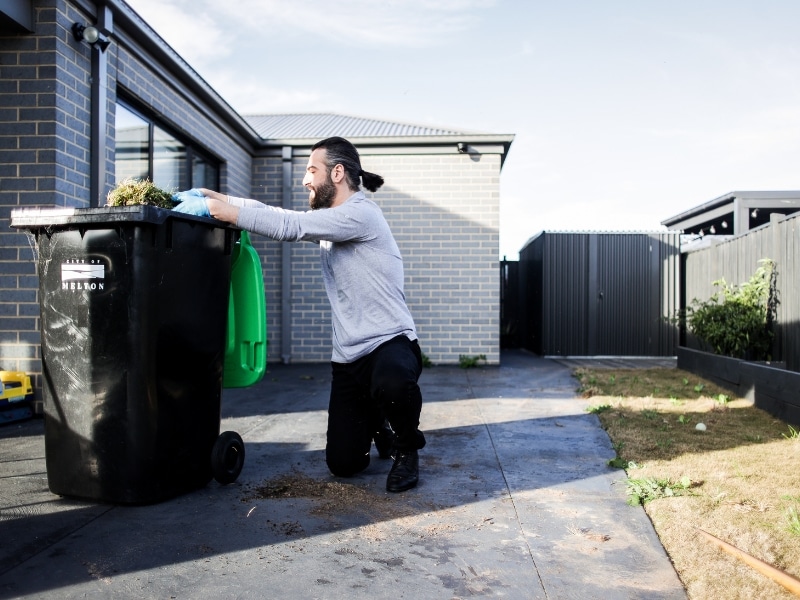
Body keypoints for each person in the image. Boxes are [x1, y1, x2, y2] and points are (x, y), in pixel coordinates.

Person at [172, 136, 425, 493]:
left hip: (390, 344)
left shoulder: (362, 214)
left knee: (393, 382)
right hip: (350, 358)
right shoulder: (331, 219)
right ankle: (377, 418)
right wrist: (212, 196)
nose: (305, 179)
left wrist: (217, 212)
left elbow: (292, 226)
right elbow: (274, 213)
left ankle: (406, 449)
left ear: (337, 173)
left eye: (311, 170)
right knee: (344, 464)